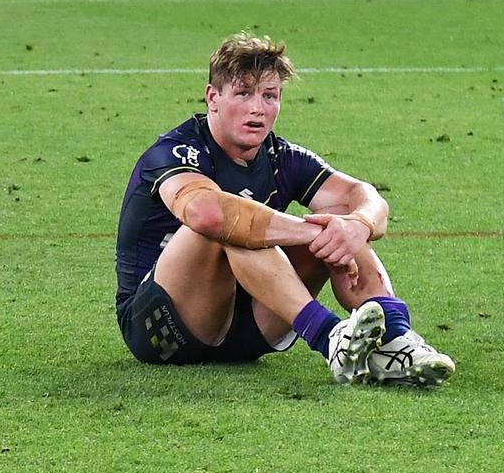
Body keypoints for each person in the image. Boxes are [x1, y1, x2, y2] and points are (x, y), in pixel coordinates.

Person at [114, 32, 454, 387]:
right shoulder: (176, 150)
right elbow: (207, 214)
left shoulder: (282, 156)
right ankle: (329, 339)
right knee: (233, 222)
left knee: (341, 224)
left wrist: (359, 225)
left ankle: (397, 346)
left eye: (270, 95)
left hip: (248, 332)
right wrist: (312, 232)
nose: (258, 108)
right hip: (161, 330)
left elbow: (363, 196)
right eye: (243, 93)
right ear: (212, 98)